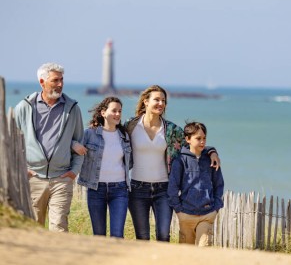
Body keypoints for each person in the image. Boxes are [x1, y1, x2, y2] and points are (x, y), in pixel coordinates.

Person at [124, 85, 221, 242]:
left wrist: (211, 151)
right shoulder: (131, 125)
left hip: (163, 190)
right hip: (137, 189)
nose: (161, 103)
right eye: (157, 99)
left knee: (163, 235)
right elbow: (113, 137)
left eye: (163, 101)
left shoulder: (171, 129)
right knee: (142, 237)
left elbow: (194, 143)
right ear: (146, 101)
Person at [14, 62, 84, 232]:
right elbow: (11, 142)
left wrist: (74, 171)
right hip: (33, 178)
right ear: (42, 82)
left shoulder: (72, 108)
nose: (60, 84)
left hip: (61, 178)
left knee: (59, 227)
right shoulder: (24, 107)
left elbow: (80, 142)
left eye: (61, 80)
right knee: (32, 228)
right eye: (55, 80)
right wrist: (22, 169)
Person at [77, 97, 132, 238]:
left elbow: (129, 162)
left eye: (120, 111)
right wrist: (73, 145)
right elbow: (75, 149)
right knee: (99, 235)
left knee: (117, 235)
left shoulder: (124, 135)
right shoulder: (89, 134)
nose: (118, 114)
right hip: (96, 189)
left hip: (120, 190)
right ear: (103, 112)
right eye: (114, 111)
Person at [167, 121, 224, 246]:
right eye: (198, 138)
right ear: (188, 139)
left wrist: (215, 208)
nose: (202, 141)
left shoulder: (212, 160)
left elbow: (219, 185)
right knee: (186, 254)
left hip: (207, 215)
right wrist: (179, 211)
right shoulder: (180, 161)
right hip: (186, 215)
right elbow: (172, 188)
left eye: (204, 138)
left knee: (204, 249)